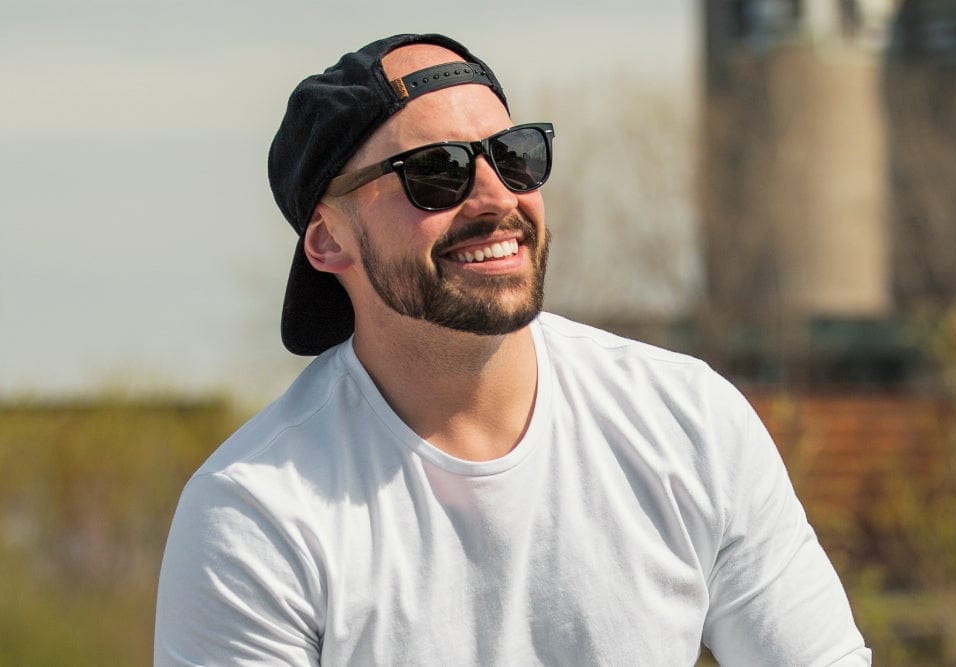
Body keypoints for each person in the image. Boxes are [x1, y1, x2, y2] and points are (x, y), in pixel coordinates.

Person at [154, 33, 871, 665]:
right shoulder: (255, 515)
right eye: (435, 171)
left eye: (515, 155)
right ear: (328, 239)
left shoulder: (690, 424)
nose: (496, 195)